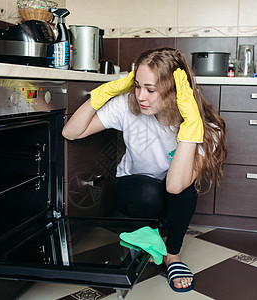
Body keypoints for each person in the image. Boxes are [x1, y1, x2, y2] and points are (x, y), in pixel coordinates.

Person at [62, 47, 226, 292]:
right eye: (137, 85)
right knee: (148, 192)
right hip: (133, 190)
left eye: (150, 90)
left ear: (174, 90)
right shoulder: (128, 105)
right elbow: (71, 132)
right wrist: (103, 93)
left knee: (185, 190)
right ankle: (151, 233)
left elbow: (175, 186)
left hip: (171, 193)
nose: (140, 96)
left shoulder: (206, 127)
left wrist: (191, 126)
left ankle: (172, 255)